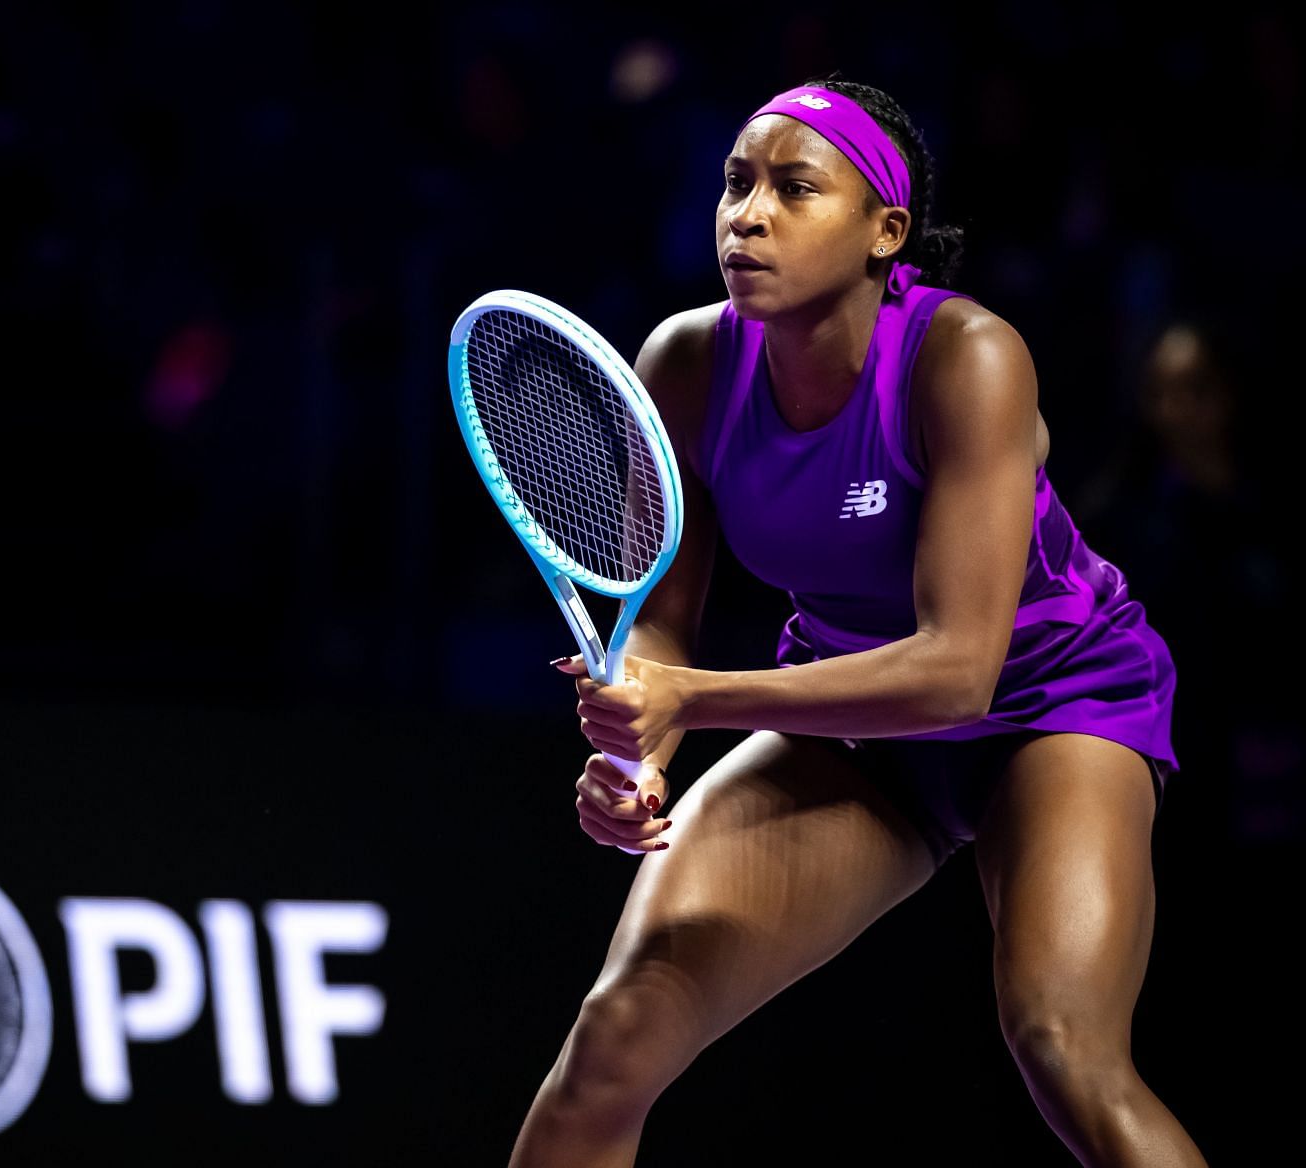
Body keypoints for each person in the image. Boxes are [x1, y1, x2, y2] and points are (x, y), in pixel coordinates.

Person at [507, 77, 1208, 1166]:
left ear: (886, 232)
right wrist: (643, 748)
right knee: (615, 1037)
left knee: (1065, 1045)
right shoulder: (687, 364)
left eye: (795, 189)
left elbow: (956, 673)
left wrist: (695, 700)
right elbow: (663, 622)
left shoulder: (968, 357)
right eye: (736, 184)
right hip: (856, 727)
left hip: (1055, 707)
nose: (748, 215)